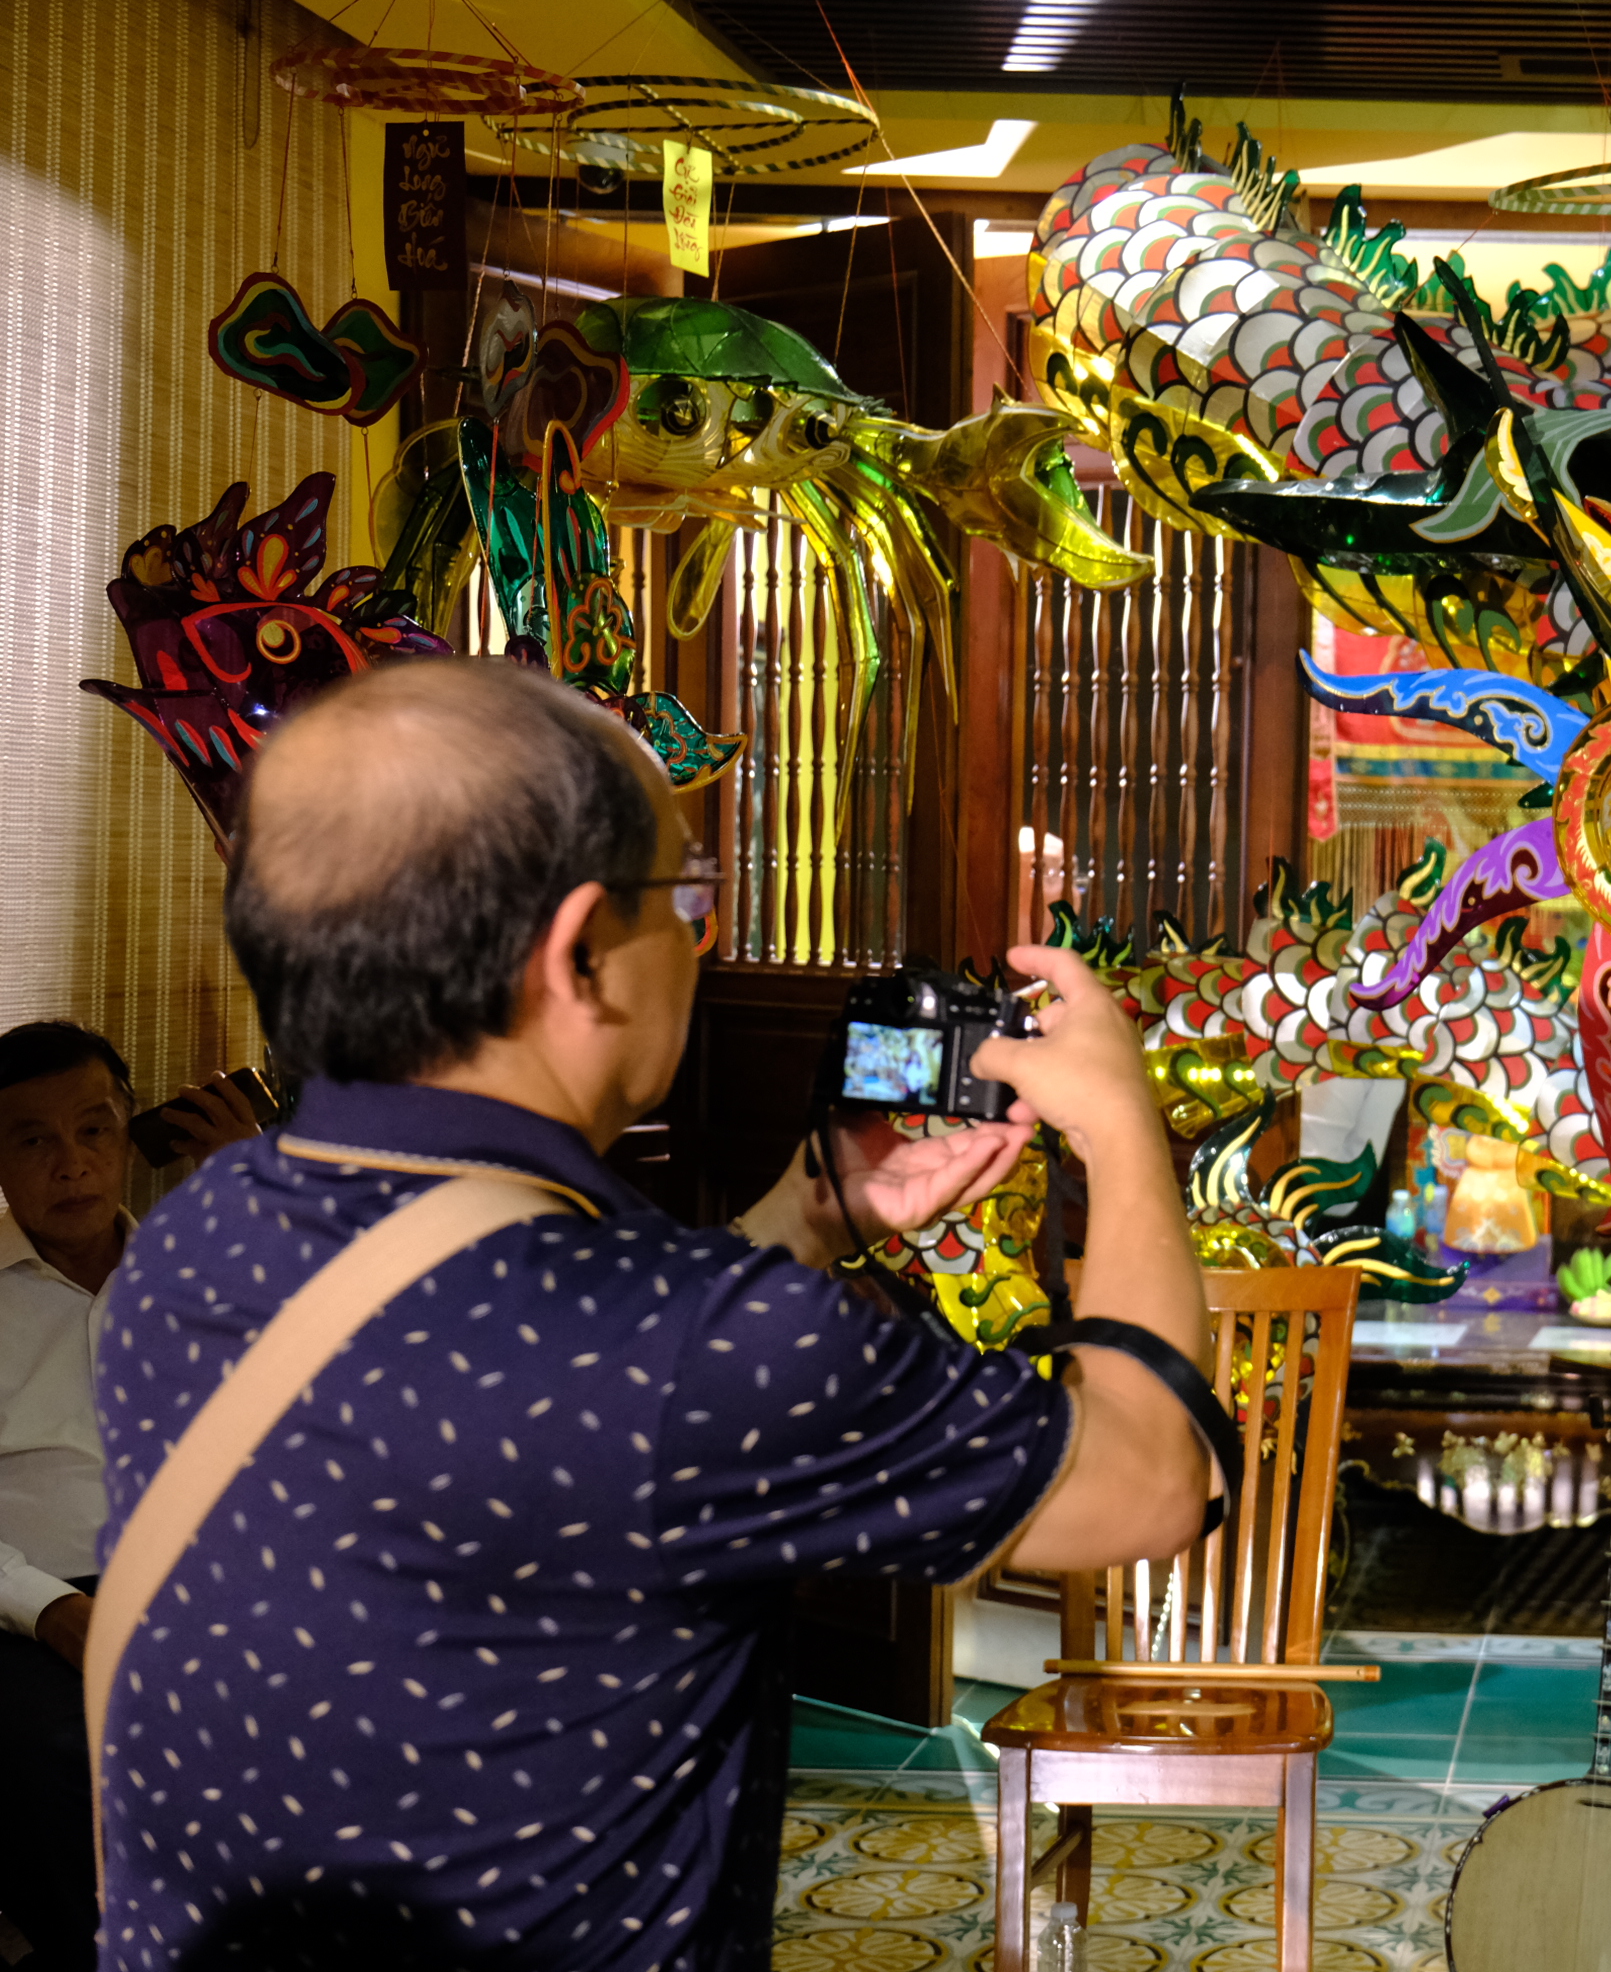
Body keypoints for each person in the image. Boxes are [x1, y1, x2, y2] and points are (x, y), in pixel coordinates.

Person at [94, 656, 1210, 1968]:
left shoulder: (190, 1244)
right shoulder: (686, 1349)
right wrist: (1127, 1130)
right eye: (685, 896)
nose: (707, 935)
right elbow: (1149, 1480)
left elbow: (547, 1411)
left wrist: (811, 1216)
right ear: (578, 953)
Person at [0, 1023, 262, 1972]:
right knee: (51, 1755)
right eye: (33, 1140)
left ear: (129, 1136)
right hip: (32, 1602)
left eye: (95, 1129)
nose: (71, 1164)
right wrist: (56, 1611)